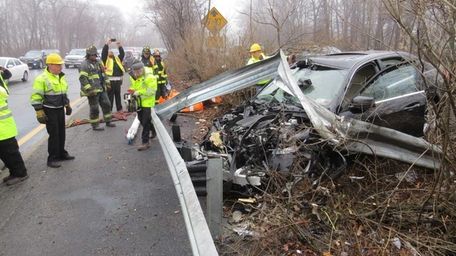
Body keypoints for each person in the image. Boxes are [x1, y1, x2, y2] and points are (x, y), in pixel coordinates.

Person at [30, 53, 74, 168]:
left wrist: (67, 105)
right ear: (50, 65)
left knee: (61, 133)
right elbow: (36, 97)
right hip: (49, 110)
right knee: (54, 134)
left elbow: (63, 93)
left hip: (59, 109)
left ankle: (61, 153)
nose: (60, 67)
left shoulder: (60, 77)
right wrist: (39, 111)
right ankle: (52, 158)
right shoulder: (42, 79)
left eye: (61, 65)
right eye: (58, 65)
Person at [1, 66, 28, 185]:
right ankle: (13, 172)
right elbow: (7, 75)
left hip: (4, 127)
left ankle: (21, 173)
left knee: (11, 153)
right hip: (3, 127)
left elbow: (7, 75)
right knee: (5, 154)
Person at [79, 45, 116, 130]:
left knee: (107, 104)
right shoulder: (84, 65)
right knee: (94, 108)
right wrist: (89, 89)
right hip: (92, 91)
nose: (94, 56)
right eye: (92, 55)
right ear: (88, 55)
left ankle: (108, 120)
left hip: (101, 88)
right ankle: (95, 125)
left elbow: (104, 74)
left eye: (95, 54)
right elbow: (83, 78)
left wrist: (107, 83)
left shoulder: (99, 62)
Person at [128, 61, 157, 151]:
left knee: (145, 122)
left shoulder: (150, 77)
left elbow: (151, 91)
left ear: (142, 69)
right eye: (135, 72)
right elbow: (134, 86)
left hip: (147, 102)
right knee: (141, 120)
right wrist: (131, 91)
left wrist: (138, 93)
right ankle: (153, 130)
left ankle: (145, 142)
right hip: (139, 102)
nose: (137, 74)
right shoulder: (133, 77)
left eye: (138, 71)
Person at [102, 38, 125, 112]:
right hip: (110, 81)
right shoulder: (106, 59)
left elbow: (122, 54)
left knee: (118, 95)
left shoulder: (117, 59)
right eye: (109, 52)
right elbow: (104, 53)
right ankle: (109, 110)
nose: (111, 53)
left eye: (112, 52)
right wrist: (107, 44)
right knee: (110, 97)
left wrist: (119, 46)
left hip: (118, 80)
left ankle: (119, 109)